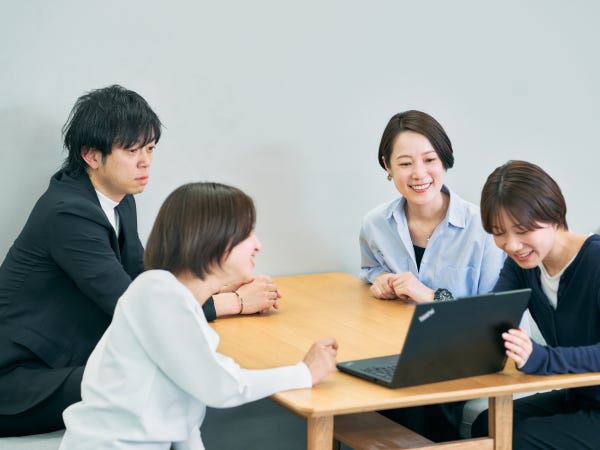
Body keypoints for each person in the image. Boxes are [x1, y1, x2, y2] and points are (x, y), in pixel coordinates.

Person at [0, 85, 280, 436]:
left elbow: (145, 277)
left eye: (149, 148)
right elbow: (136, 306)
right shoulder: (68, 212)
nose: (145, 161)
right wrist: (233, 302)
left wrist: (215, 282)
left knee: (155, 371)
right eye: (132, 150)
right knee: (150, 378)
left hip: (60, 365)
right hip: (17, 382)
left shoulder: (119, 197)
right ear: (91, 155)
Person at [58, 182, 338, 449]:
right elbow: (221, 386)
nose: (257, 244)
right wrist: (303, 373)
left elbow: (186, 422)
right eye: (246, 233)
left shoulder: (175, 299)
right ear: (211, 239)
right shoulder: (157, 294)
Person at [359, 110, 505, 441]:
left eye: (429, 160)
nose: (419, 173)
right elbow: (370, 269)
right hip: (395, 350)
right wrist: (380, 280)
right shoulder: (375, 224)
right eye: (405, 163)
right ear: (387, 165)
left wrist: (429, 295)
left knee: (414, 399)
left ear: (445, 160)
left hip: (463, 355)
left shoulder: (483, 229)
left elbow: (497, 316)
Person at [471, 160, 600, 449]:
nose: (512, 245)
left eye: (522, 230)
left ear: (553, 215)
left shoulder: (595, 260)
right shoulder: (522, 264)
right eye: (499, 233)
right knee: (487, 426)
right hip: (581, 396)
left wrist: (542, 358)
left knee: (516, 439)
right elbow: (492, 318)